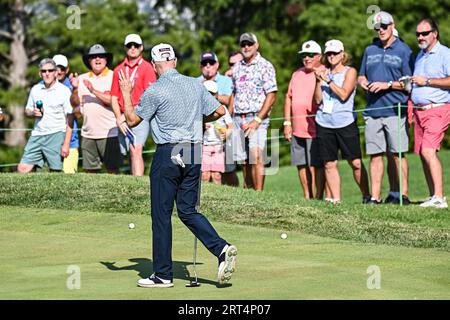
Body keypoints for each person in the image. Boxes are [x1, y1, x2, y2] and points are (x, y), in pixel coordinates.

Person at [119, 43, 237, 288]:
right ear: (174, 61)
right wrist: (195, 117)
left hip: (169, 153)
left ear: (153, 65)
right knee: (187, 211)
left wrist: (126, 92)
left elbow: (131, 120)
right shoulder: (196, 85)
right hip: (193, 151)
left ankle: (163, 274)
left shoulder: (155, 90)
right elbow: (220, 110)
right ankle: (221, 248)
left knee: (162, 214)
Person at [358, 11, 414, 205]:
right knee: (375, 155)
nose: (380, 30)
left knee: (398, 154)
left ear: (392, 26)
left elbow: (409, 84)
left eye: (384, 26)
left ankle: (402, 195)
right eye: (377, 27)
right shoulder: (370, 50)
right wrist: (363, 81)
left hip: (395, 109)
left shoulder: (404, 50)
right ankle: (375, 197)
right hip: (373, 110)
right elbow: (361, 75)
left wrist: (387, 84)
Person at [313, 40, 370, 203]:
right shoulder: (323, 73)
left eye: (335, 53)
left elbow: (344, 94)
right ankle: (336, 200)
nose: (331, 56)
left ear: (342, 54)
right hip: (324, 123)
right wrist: (318, 81)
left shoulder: (349, 72)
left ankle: (366, 195)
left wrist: (329, 81)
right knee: (329, 164)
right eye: (329, 53)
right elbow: (317, 100)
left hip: (345, 123)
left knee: (356, 163)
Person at [229, 32, 277, 191]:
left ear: (256, 45)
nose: (246, 47)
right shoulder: (236, 68)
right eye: (243, 44)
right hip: (238, 117)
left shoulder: (265, 66)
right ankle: (248, 191)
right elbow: (233, 94)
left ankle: (259, 193)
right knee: (243, 160)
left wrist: (258, 119)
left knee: (256, 156)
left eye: (249, 44)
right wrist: (229, 118)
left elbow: (272, 94)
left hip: (257, 117)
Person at [410, 18, 450, 209]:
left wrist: (426, 82)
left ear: (435, 33)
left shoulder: (445, 54)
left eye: (424, 33)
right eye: (418, 34)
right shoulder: (420, 55)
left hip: (438, 109)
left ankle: (440, 198)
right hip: (419, 112)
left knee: (428, 151)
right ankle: (433, 195)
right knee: (422, 154)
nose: (420, 37)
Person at [70, 44, 122, 174]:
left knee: (112, 171)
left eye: (101, 56)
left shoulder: (113, 76)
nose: (97, 59)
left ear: (106, 60)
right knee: (90, 172)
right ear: (89, 61)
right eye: (93, 57)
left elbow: (114, 100)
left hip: (110, 133)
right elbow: (74, 103)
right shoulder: (82, 78)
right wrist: (75, 88)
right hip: (88, 133)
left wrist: (93, 91)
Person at [283, 40, 325, 199]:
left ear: (319, 56)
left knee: (316, 165)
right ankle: (307, 196)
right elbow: (288, 98)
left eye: (311, 55)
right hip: (297, 128)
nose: (307, 58)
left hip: (317, 127)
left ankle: (318, 197)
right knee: (301, 163)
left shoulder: (324, 71)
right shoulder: (296, 74)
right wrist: (287, 123)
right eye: (304, 55)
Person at [111, 34, 157, 176]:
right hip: (123, 115)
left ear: (141, 48)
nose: (133, 48)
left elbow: (150, 95)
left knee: (136, 149)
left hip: (139, 113)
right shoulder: (118, 69)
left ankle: (138, 183)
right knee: (127, 151)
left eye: (136, 45)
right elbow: (113, 96)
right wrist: (119, 118)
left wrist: (137, 114)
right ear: (125, 48)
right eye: (129, 45)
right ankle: (131, 180)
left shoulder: (147, 68)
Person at [17, 58, 73, 173]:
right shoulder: (35, 89)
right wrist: (32, 113)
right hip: (37, 134)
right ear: (40, 73)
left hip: (56, 134)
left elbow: (70, 119)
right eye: (44, 71)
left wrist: (66, 144)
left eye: (50, 70)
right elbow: (27, 110)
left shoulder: (64, 91)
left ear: (56, 72)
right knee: (22, 168)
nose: (47, 73)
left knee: (55, 171)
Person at [197, 51, 239, 187]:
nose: (208, 66)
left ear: (217, 64)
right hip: (204, 140)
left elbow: (228, 99)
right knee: (204, 173)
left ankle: (232, 195)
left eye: (211, 63)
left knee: (227, 171)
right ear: (200, 66)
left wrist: (209, 96)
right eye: (204, 63)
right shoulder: (195, 82)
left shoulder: (226, 80)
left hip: (222, 133)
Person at [201, 80, 233, 185]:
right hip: (204, 146)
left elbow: (230, 127)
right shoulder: (200, 109)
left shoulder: (223, 109)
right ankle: (205, 196)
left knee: (217, 175)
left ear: (217, 94)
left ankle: (216, 196)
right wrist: (202, 126)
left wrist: (227, 134)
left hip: (218, 146)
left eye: (213, 93)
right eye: (208, 93)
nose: (211, 96)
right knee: (205, 175)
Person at [52, 54, 80, 174]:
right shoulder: (42, 85)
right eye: (55, 68)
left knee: (69, 176)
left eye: (62, 68)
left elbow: (78, 114)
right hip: (50, 138)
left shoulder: (73, 85)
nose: (58, 72)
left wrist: (75, 89)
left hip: (71, 140)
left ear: (67, 69)